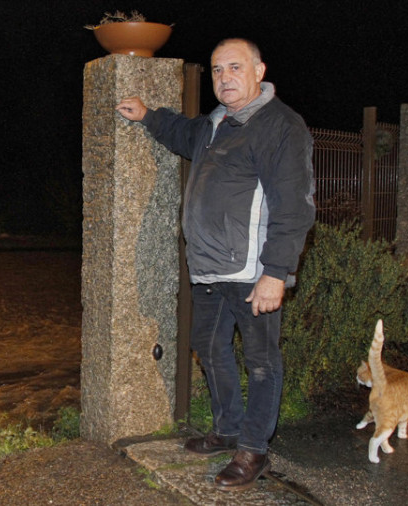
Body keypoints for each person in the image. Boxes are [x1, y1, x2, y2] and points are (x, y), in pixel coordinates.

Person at [116, 38, 316, 492]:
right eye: (217, 70)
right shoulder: (216, 122)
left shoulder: (280, 126)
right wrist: (149, 116)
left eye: (234, 67)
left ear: (259, 71)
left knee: (261, 362)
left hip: (252, 272)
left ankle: (253, 450)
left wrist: (275, 273)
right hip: (209, 269)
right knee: (207, 346)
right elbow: (184, 135)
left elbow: (294, 207)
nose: (225, 77)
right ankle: (228, 428)